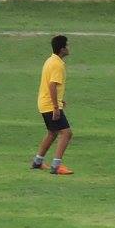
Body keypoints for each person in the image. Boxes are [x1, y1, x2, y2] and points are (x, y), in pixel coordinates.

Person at [32, 34, 73, 175]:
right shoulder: (57, 64)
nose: (69, 48)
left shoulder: (50, 60)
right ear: (62, 49)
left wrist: (60, 100)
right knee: (66, 133)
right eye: (67, 45)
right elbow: (52, 85)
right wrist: (56, 107)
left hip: (44, 103)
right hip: (50, 105)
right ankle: (56, 165)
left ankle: (37, 162)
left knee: (52, 133)